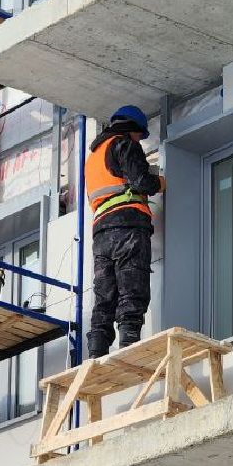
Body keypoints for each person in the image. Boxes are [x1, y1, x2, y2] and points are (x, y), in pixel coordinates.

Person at [85, 104, 164, 359]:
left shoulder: (92, 158)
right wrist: (160, 182)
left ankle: (96, 353)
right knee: (132, 285)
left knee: (104, 295)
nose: (139, 140)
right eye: (140, 135)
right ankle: (129, 348)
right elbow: (141, 181)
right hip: (127, 225)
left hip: (101, 233)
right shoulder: (124, 144)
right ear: (133, 128)